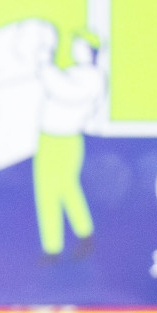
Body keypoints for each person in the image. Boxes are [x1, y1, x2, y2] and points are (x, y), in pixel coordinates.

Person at [34, 33, 104, 254]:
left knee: (66, 187)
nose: (74, 49)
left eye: (79, 45)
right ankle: (52, 248)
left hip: (67, 141)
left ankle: (85, 235)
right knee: (45, 191)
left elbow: (63, 89)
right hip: (47, 139)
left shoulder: (95, 78)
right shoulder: (73, 72)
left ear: (90, 50)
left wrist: (45, 63)